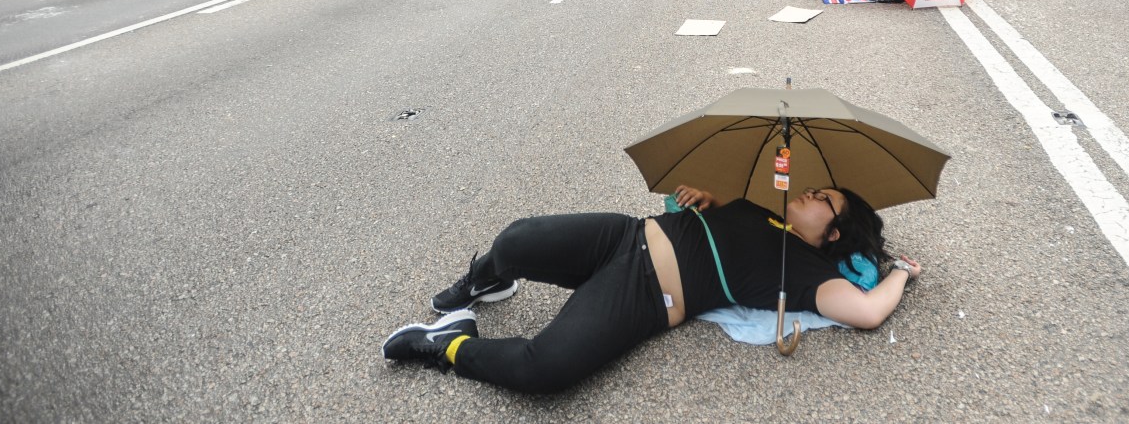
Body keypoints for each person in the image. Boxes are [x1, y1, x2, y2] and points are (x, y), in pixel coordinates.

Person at [382, 183, 917, 393]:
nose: (808, 190)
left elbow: (867, 311)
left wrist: (900, 274)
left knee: (542, 371)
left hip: (647, 294)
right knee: (518, 240)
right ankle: (486, 281)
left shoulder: (805, 271)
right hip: (626, 235)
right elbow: (680, 203)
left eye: (822, 197)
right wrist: (702, 195)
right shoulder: (761, 200)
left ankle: (445, 343)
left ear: (834, 231)